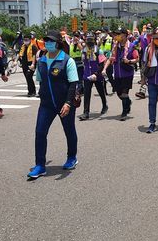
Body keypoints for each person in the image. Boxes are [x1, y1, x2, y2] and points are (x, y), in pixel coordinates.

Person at [27, 30, 79, 179]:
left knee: (69, 130)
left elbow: (73, 83)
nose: (48, 43)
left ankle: (72, 157)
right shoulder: (42, 60)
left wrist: (68, 103)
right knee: (40, 132)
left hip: (65, 104)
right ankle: (40, 165)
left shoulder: (67, 60)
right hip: (47, 105)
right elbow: (41, 80)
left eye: (51, 41)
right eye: (46, 41)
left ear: (58, 43)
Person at [103, 27, 139, 121]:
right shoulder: (115, 46)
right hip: (118, 74)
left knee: (124, 93)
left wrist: (129, 61)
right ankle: (128, 102)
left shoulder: (131, 46)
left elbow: (137, 58)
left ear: (125, 35)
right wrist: (104, 69)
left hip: (127, 73)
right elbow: (110, 58)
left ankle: (124, 112)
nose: (117, 36)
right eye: (116, 34)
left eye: (119, 34)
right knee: (119, 93)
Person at [79, 32, 108, 121]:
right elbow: (84, 62)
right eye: (88, 39)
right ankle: (86, 112)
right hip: (87, 75)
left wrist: (96, 73)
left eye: (91, 39)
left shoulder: (98, 50)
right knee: (87, 93)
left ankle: (104, 105)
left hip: (97, 75)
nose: (89, 41)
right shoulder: (84, 50)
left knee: (101, 91)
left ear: (94, 39)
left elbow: (101, 64)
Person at [18, 33, 38, 97]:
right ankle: (30, 91)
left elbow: (34, 55)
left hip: (31, 64)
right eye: (24, 40)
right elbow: (19, 54)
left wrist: (33, 64)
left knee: (29, 76)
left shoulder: (33, 46)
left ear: (30, 40)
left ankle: (32, 91)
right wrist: (15, 61)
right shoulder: (23, 46)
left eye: (27, 39)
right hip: (24, 64)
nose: (25, 41)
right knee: (27, 78)